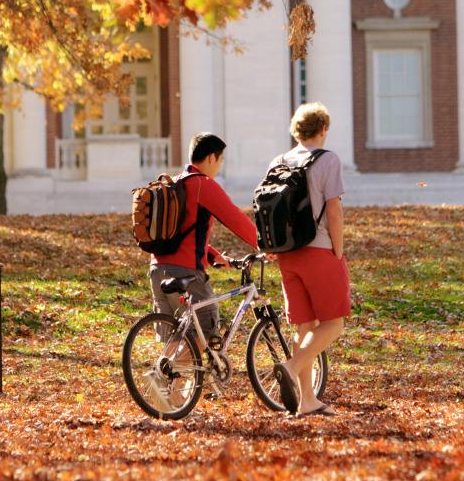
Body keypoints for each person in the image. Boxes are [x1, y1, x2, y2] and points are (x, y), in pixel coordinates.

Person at [270, 102, 348, 419]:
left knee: (305, 327)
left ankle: (307, 401)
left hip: (287, 254)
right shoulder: (328, 160)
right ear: (323, 129)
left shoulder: (279, 161)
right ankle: (290, 368)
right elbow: (334, 210)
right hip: (319, 250)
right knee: (333, 324)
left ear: (296, 130)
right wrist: (338, 250)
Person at [148, 132, 259, 345]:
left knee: (175, 340)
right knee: (203, 337)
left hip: (157, 269)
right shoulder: (202, 184)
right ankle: (166, 373)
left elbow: (181, 233)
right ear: (211, 158)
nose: (220, 166)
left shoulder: (176, 182)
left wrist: (213, 256)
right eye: (220, 160)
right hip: (185, 272)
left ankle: (160, 376)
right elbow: (234, 218)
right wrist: (264, 245)